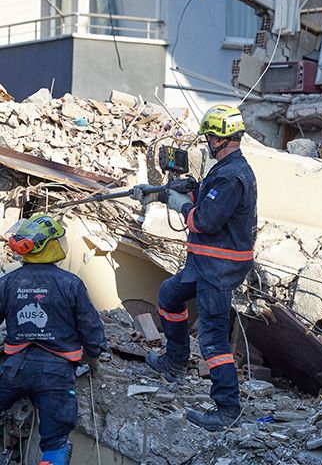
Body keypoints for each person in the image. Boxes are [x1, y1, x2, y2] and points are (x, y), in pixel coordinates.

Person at [131, 104, 257, 431]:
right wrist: (159, 193)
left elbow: (204, 219)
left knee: (213, 340)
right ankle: (174, 363)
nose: (207, 143)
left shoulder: (233, 175)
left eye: (210, 137)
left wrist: (179, 203)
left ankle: (227, 409)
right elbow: (205, 196)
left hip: (219, 267)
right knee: (169, 296)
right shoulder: (225, 167)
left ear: (220, 138)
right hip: (204, 261)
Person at [0, 214, 106, 465]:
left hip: (14, 369)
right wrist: (93, 358)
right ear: (51, 246)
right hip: (57, 375)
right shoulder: (71, 283)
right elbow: (91, 331)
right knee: (56, 440)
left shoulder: (9, 282)